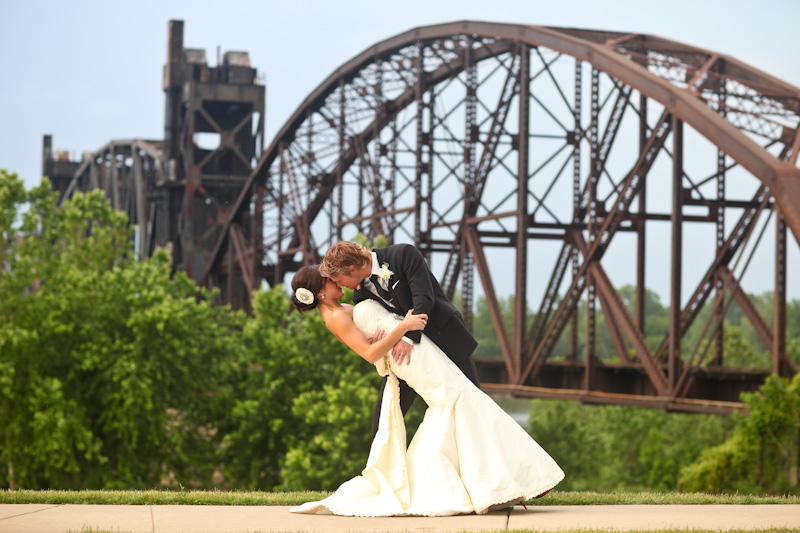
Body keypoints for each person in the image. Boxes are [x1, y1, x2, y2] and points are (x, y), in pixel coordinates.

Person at [288, 263, 564, 516]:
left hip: (416, 348)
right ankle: (503, 481)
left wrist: (396, 328)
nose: (336, 281)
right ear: (319, 292)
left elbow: (380, 323)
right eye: (328, 280)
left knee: (459, 401)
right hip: (407, 357)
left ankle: (498, 482)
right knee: (456, 400)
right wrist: (402, 329)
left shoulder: (347, 306)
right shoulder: (335, 318)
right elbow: (370, 354)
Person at [319, 241, 480, 437]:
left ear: (352, 268)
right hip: (407, 358)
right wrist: (378, 339)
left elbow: (424, 298)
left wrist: (407, 338)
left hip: (443, 336)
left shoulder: (403, 254)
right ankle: (381, 467)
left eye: (339, 279)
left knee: (473, 403)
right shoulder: (360, 295)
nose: (338, 285)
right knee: (383, 421)